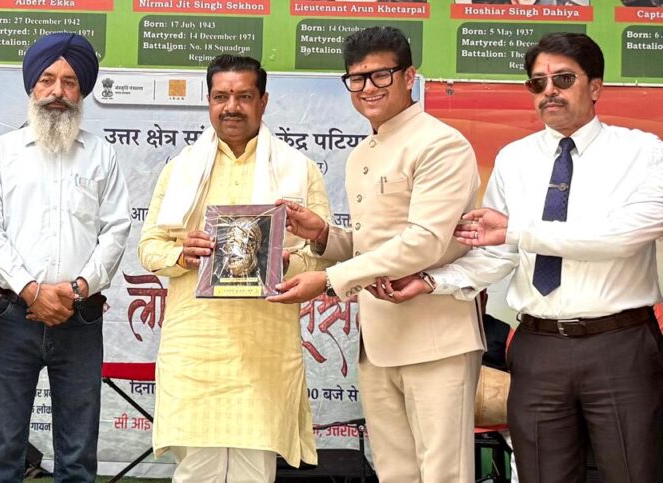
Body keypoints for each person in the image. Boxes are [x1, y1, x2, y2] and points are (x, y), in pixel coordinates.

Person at [382, 32, 663, 482]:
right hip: (538, 347)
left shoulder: (644, 152)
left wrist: (516, 230)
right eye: (538, 83)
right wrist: (434, 281)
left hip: (620, 346)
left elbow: (620, 237)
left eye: (563, 79)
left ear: (595, 86)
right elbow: (498, 254)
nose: (549, 91)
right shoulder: (515, 159)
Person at [268, 27, 485, 482]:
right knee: (394, 473)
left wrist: (329, 280)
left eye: (380, 75)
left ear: (409, 76)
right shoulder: (361, 153)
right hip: (379, 341)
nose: (368, 88)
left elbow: (424, 241)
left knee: (444, 474)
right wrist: (324, 236)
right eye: (357, 78)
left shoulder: (440, 143)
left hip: (437, 339)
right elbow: (376, 244)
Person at [138, 54, 331, 482]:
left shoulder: (299, 171)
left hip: (265, 346)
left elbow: (321, 253)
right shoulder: (181, 170)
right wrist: (181, 253)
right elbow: (149, 246)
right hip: (195, 347)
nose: (232, 107)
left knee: (253, 471)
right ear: (208, 101)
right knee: (195, 471)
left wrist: (283, 258)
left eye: (244, 96)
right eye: (221, 97)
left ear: (263, 101)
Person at [0, 32, 130, 482]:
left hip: (79, 317)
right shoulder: (1, 153)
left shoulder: (101, 154)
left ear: (81, 92)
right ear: (32, 87)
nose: (57, 91)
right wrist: (31, 290)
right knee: (3, 447)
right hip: (13, 315)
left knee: (77, 452)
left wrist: (77, 288)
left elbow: (116, 229)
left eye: (69, 81)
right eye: (47, 80)